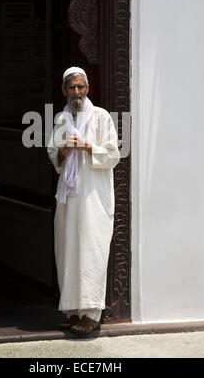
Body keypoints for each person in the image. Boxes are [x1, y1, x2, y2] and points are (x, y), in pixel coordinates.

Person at [47, 67, 120, 337]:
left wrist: (87, 146)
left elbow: (113, 155)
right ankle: (72, 311)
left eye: (81, 87)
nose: (76, 92)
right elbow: (53, 154)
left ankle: (91, 314)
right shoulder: (60, 119)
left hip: (93, 196)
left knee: (91, 250)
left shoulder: (101, 117)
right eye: (71, 88)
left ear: (87, 88)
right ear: (64, 91)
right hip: (68, 195)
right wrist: (63, 151)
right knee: (67, 249)